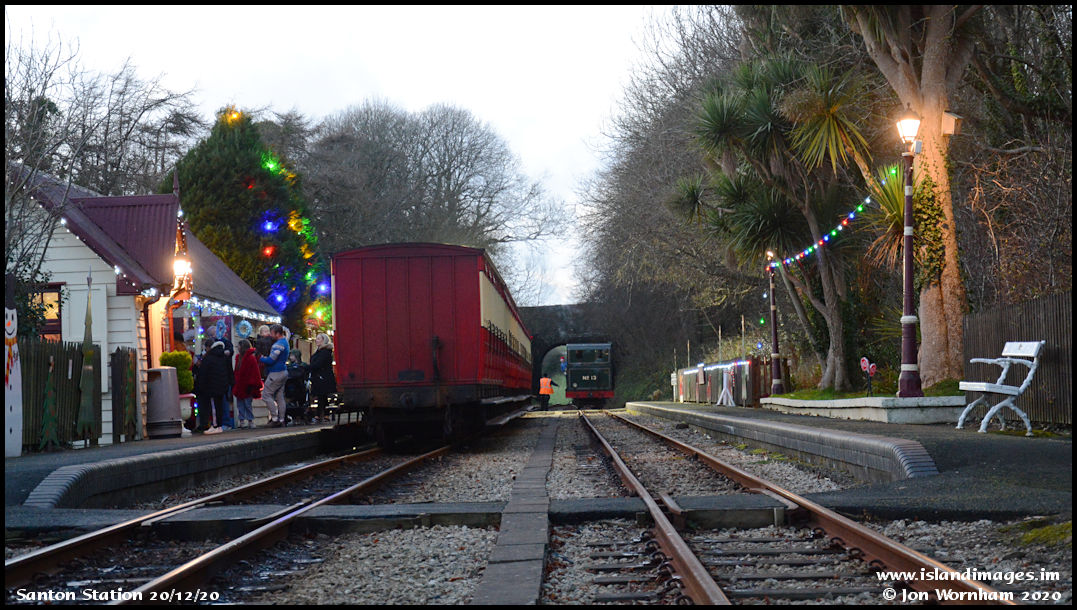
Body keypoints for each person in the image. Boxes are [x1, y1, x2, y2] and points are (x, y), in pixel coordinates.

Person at [195, 341, 231, 434]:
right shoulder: (224, 357)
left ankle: (216, 426)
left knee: (214, 407)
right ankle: (219, 424)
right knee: (220, 406)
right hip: (222, 385)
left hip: (211, 386)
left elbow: (203, 373)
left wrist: (200, 386)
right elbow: (229, 371)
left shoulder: (209, 358)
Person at [259, 324, 289, 427]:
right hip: (283, 371)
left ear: (277, 333)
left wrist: (260, 358)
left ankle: (275, 418)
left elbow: (271, 360)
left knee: (266, 395)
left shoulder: (278, 345)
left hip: (275, 373)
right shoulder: (285, 342)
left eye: (272, 333)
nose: (270, 335)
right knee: (280, 396)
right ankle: (281, 419)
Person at [232, 339, 262, 429]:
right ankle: (243, 420)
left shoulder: (250, 358)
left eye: (239, 346)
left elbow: (254, 372)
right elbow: (237, 371)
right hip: (240, 384)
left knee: (247, 404)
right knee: (241, 404)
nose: (238, 347)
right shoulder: (238, 357)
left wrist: (252, 384)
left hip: (247, 385)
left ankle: (250, 420)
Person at [308, 332, 337, 424]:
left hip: (323, 377)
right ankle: (324, 415)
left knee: (322, 396)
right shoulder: (320, 351)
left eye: (318, 339)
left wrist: (308, 367)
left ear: (323, 340)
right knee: (322, 396)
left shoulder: (325, 352)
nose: (316, 340)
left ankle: (319, 415)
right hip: (320, 377)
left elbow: (318, 364)